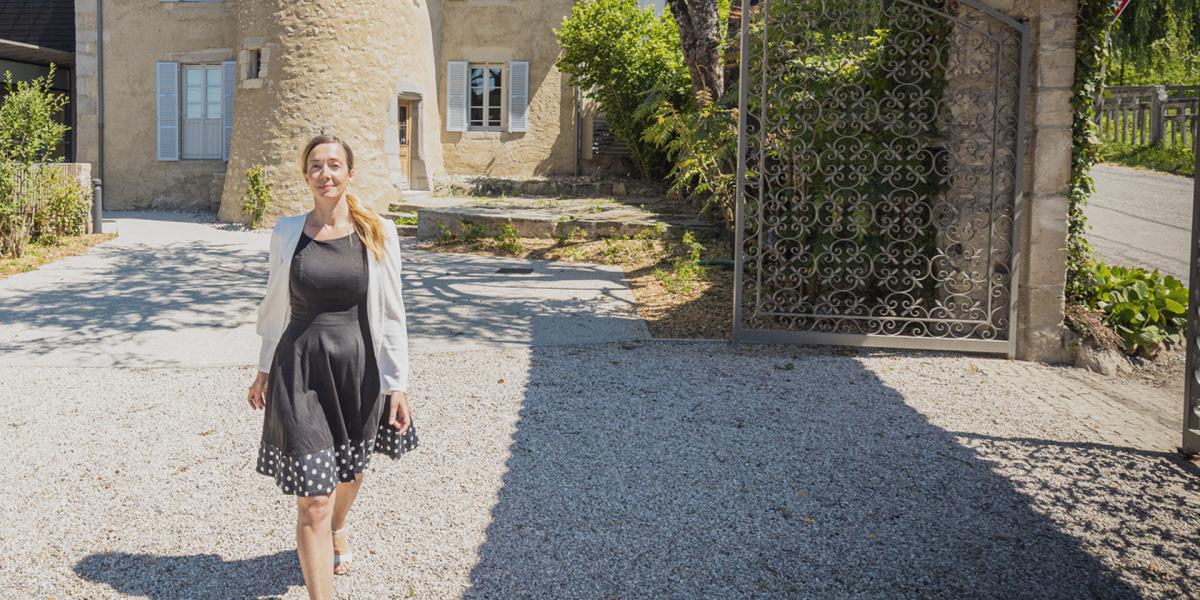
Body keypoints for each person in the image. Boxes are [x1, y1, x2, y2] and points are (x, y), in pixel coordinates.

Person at [246, 133, 417, 599]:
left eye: (334, 166)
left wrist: (396, 384)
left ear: (349, 173)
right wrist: (263, 368)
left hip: (358, 369)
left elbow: (392, 313)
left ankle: (339, 526)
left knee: (350, 470)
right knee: (314, 500)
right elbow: (274, 306)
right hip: (299, 368)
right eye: (317, 166)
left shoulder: (378, 230)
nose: (326, 174)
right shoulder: (286, 232)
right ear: (306, 176)